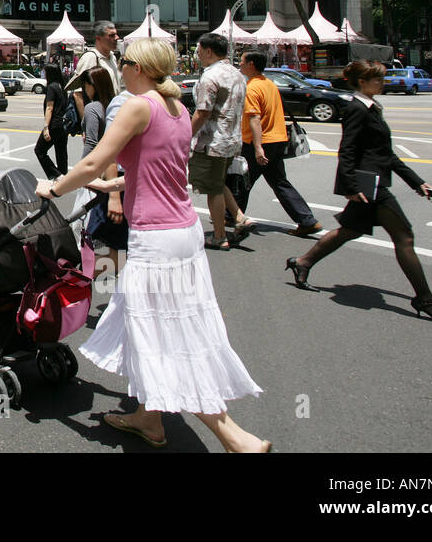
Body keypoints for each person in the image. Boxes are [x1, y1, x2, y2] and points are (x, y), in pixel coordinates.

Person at [35, 38, 269, 452]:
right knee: (146, 327)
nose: (119, 69)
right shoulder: (175, 109)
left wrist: (52, 188)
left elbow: (91, 160)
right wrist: (114, 184)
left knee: (164, 336)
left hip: (156, 238)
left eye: (124, 62)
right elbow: (161, 165)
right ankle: (149, 417)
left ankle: (232, 436)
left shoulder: (138, 106)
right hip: (183, 233)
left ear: (139, 67)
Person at [286, 61, 432, 328]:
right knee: (404, 236)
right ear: (362, 82)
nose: (382, 84)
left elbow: (386, 153)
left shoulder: (371, 107)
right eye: (377, 80)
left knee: (350, 230)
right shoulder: (356, 108)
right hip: (369, 187)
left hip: (372, 183)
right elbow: (347, 151)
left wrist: (417, 183)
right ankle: (425, 299)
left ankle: (302, 262)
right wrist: (351, 188)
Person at [231, 50, 319, 238]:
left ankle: (232, 216)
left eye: (242, 61)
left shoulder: (252, 88)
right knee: (278, 182)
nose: (240, 64)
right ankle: (307, 220)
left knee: (243, 180)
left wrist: (257, 147)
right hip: (277, 139)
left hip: (260, 142)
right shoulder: (269, 84)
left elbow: (254, 118)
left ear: (251, 64)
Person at [188, 32, 250, 251]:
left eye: (198, 51)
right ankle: (240, 217)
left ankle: (219, 235)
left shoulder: (210, 76)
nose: (197, 55)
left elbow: (202, 112)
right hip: (231, 138)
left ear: (208, 51)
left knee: (212, 188)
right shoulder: (237, 74)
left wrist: (186, 134)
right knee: (218, 181)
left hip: (212, 140)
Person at [81, 66, 128, 272]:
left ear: (91, 86)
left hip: (101, 175)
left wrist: (81, 174)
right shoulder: (114, 104)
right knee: (119, 235)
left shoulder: (93, 108)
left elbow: (91, 144)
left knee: (92, 229)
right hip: (121, 177)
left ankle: (86, 274)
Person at [69, 21, 122, 99]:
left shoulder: (112, 57)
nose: (117, 38)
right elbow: (78, 94)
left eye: (116, 34)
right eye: (112, 35)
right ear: (98, 39)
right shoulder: (90, 57)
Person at [34, 64, 69, 180]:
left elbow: (50, 107)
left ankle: (56, 175)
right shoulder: (62, 87)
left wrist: (46, 127)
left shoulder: (51, 87)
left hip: (54, 124)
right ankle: (64, 176)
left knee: (39, 150)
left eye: (44, 72)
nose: (43, 74)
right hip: (63, 125)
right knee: (61, 153)